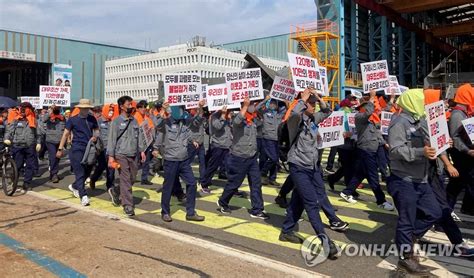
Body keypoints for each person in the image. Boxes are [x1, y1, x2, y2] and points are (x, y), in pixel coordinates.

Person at [279, 89, 343, 258]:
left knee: (298, 200)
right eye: (311, 103)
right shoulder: (295, 121)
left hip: (313, 166)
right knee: (311, 202)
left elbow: (327, 111)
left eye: (315, 104)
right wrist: (302, 99)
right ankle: (325, 241)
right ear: (303, 105)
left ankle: (286, 231)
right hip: (299, 165)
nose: (314, 106)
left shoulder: (314, 119)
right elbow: (293, 113)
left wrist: (319, 97)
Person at [387, 89, 442, 274]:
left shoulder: (418, 122)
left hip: (421, 178)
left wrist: (441, 143)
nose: (424, 104)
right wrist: (421, 152)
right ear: (412, 102)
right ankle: (405, 257)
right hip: (404, 179)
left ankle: (407, 239)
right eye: (421, 101)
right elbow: (395, 150)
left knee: (434, 212)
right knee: (406, 219)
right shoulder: (399, 122)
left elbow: (428, 142)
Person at [340, 90, 394, 211]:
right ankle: (381, 201)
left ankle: (346, 192)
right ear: (362, 107)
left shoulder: (371, 119)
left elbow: (379, 127)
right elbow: (369, 111)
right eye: (367, 106)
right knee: (373, 176)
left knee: (361, 173)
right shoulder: (359, 117)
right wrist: (372, 97)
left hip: (372, 149)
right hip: (366, 149)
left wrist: (384, 143)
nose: (371, 108)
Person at [153, 101, 205, 222]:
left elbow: (197, 120)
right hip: (171, 160)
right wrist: (163, 110)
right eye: (181, 109)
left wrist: (200, 107)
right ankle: (165, 212)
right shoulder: (166, 122)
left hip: (184, 160)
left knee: (192, 183)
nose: (183, 111)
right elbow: (156, 124)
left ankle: (190, 212)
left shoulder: (185, 122)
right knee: (168, 187)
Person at [216, 97, 267, 219]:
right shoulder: (236, 117)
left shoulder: (254, 119)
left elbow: (262, 119)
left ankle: (257, 209)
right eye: (251, 104)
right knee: (234, 183)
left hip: (252, 157)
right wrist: (245, 106)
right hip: (239, 157)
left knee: (256, 183)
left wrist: (264, 102)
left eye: (254, 104)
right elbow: (237, 122)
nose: (253, 105)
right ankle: (223, 201)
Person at [107, 96, 146, 216]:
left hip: (133, 154)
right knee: (125, 179)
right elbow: (112, 140)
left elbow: (139, 136)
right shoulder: (116, 121)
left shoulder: (134, 121)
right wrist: (111, 156)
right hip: (121, 154)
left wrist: (142, 151)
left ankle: (116, 190)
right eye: (128, 105)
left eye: (131, 104)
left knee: (132, 178)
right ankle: (127, 205)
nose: (131, 107)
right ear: (121, 106)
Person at [56, 99, 98, 206]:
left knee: (88, 171)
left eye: (87, 108)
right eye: (83, 108)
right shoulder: (72, 120)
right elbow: (65, 134)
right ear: (79, 108)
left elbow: (97, 131)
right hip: (76, 148)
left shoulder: (92, 118)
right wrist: (60, 149)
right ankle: (83, 195)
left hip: (89, 148)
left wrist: (95, 137)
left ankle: (75, 186)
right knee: (79, 172)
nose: (86, 110)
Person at [447, 83, 474, 216]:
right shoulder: (458, 114)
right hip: (462, 156)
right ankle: (445, 215)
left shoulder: (464, 113)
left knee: (461, 184)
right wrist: (468, 151)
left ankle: (467, 207)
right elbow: (455, 137)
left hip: (465, 155)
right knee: (456, 185)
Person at [4, 102, 41, 190]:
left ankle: (27, 183)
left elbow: (38, 134)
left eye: (26, 108)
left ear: (29, 109)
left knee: (30, 165)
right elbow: (9, 130)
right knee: (18, 165)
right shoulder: (16, 119)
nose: (23, 110)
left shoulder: (34, 121)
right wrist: (7, 138)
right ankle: (13, 179)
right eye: (22, 108)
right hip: (18, 145)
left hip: (30, 146)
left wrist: (39, 143)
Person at [89, 103, 119, 205]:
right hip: (102, 149)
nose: (110, 113)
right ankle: (93, 179)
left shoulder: (115, 121)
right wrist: (96, 146)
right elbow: (96, 135)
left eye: (112, 111)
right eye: (109, 111)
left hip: (112, 149)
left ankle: (110, 186)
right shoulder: (99, 121)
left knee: (111, 169)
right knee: (101, 167)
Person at [200, 105, 232, 194]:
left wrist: (229, 118)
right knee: (213, 166)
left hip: (227, 145)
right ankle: (204, 184)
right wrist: (223, 115)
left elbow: (230, 129)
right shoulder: (214, 116)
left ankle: (233, 188)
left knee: (230, 166)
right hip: (218, 145)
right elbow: (218, 126)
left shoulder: (228, 115)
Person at [257, 96, 286, 186]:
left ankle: (272, 178)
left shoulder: (279, 114)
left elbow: (289, 110)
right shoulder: (265, 113)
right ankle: (262, 172)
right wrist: (266, 99)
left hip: (277, 139)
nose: (273, 105)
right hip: (267, 138)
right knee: (272, 158)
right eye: (271, 103)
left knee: (276, 160)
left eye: (275, 103)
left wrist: (286, 102)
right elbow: (257, 108)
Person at [42, 105, 66, 183]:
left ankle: (52, 174)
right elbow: (43, 120)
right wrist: (50, 111)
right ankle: (54, 174)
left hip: (60, 141)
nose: (56, 110)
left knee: (58, 157)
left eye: (57, 109)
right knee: (53, 157)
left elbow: (66, 128)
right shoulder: (49, 117)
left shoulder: (62, 117)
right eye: (55, 109)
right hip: (50, 140)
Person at [134, 100, 155, 185]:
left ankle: (144, 178)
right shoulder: (135, 117)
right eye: (141, 107)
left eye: (144, 107)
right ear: (138, 108)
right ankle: (132, 177)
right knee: (135, 162)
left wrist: (151, 129)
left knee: (146, 161)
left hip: (147, 143)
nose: (143, 109)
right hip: (137, 143)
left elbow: (152, 127)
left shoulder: (146, 117)